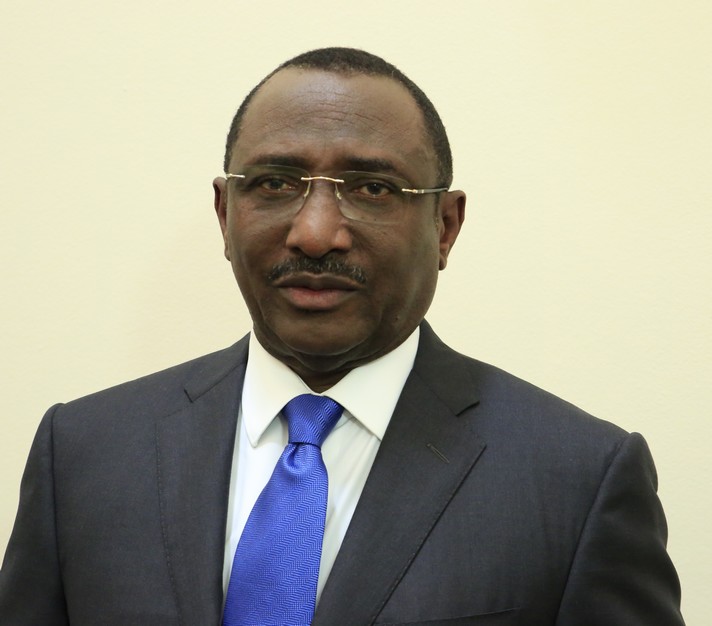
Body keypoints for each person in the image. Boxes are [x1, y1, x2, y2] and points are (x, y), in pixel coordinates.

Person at [0, 47, 684, 625]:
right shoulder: (84, 454)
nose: (315, 233)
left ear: (445, 227)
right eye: (274, 183)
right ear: (225, 213)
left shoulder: (578, 480)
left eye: (372, 189)